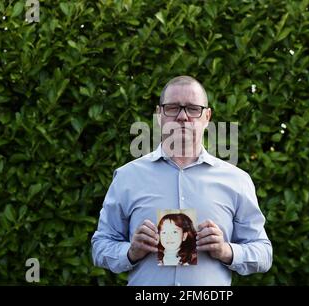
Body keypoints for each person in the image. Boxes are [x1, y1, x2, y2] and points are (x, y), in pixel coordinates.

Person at [91, 75, 273, 285]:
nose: (183, 117)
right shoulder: (127, 177)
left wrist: (227, 250)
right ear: (159, 115)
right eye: (172, 107)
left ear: (207, 117)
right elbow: (100, 246)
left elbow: (263, 253)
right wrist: (130, 252)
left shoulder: (237, 180)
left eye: (193, 108)